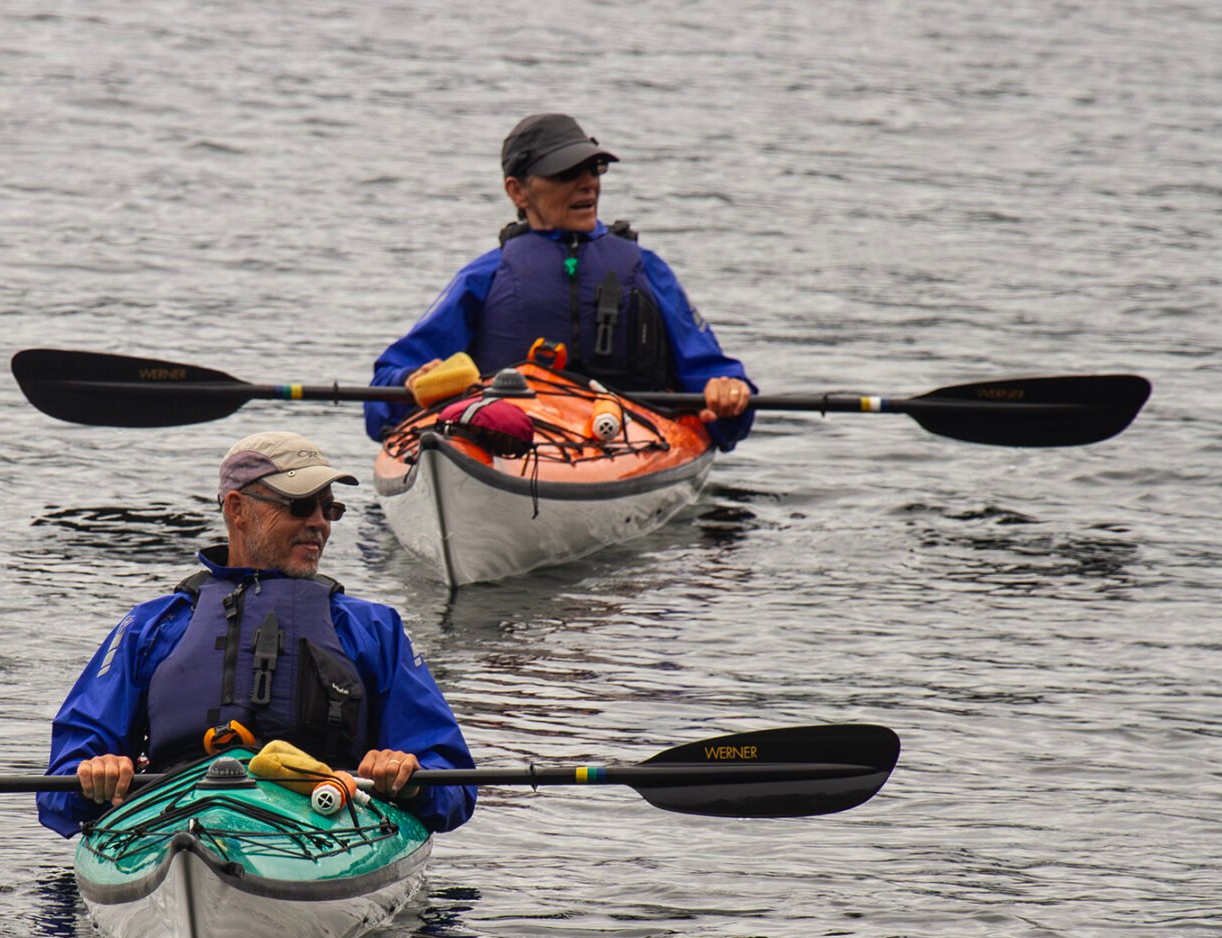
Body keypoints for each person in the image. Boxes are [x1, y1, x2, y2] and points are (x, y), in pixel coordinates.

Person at [37, 431, 476, 838]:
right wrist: (94, 774)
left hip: (333, 814)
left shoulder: (374, 629)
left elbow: (454, 787)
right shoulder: (152, 627)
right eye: (301, 506)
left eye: (330, 510)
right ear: (237, 509)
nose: (319, 524)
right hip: (173, 818)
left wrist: (409, 776)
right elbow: (57, 793)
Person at [366, 113, 757, 449]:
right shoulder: (485, 276)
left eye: (594, 170)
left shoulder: (645, 270)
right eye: (566, 173)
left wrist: (728, 392)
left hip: (627, 434)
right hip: (507, 433)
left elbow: (715, 382)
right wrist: (408, 379)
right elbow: (382, 398)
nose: (588, 183)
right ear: (517, 191)